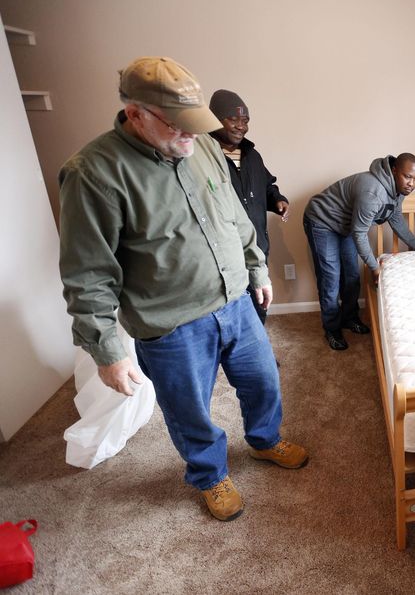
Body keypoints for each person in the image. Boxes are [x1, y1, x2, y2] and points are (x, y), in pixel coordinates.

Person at [58, 56, 309, 523]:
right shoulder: (93, 173)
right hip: (171, 323)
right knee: (189, 409)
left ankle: (264, 440)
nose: (191, 135)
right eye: (179, 126)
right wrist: (107, 350)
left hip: (235, 301)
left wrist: (257, 269)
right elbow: (87, 273)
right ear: (136, 115)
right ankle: (210, 475)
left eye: (196, 125)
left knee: (263, 381)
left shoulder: (203, 147)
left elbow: (234, 215)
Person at [303, 153, 415, 350]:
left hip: (346, 225)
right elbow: (360, 233)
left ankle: (349, 318)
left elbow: (395, 219)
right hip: (322, 220)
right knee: (331, 278)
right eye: (407, 177)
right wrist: (374, 267)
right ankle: (332, 328)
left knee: (352, 275)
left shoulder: (398, 191)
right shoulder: (373, 192)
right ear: (394, 170)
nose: (411, 183)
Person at [209, 89, 290, 324]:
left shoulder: (252, 155)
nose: (240, 126)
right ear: (215, 119)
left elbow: (266, 185)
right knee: (230, 315)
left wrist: (278, 200)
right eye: (233, 119)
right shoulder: (204, 157)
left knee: (258, 306)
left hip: (257, 248)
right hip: (225, 254)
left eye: (245, 121)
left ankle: (256, 356)